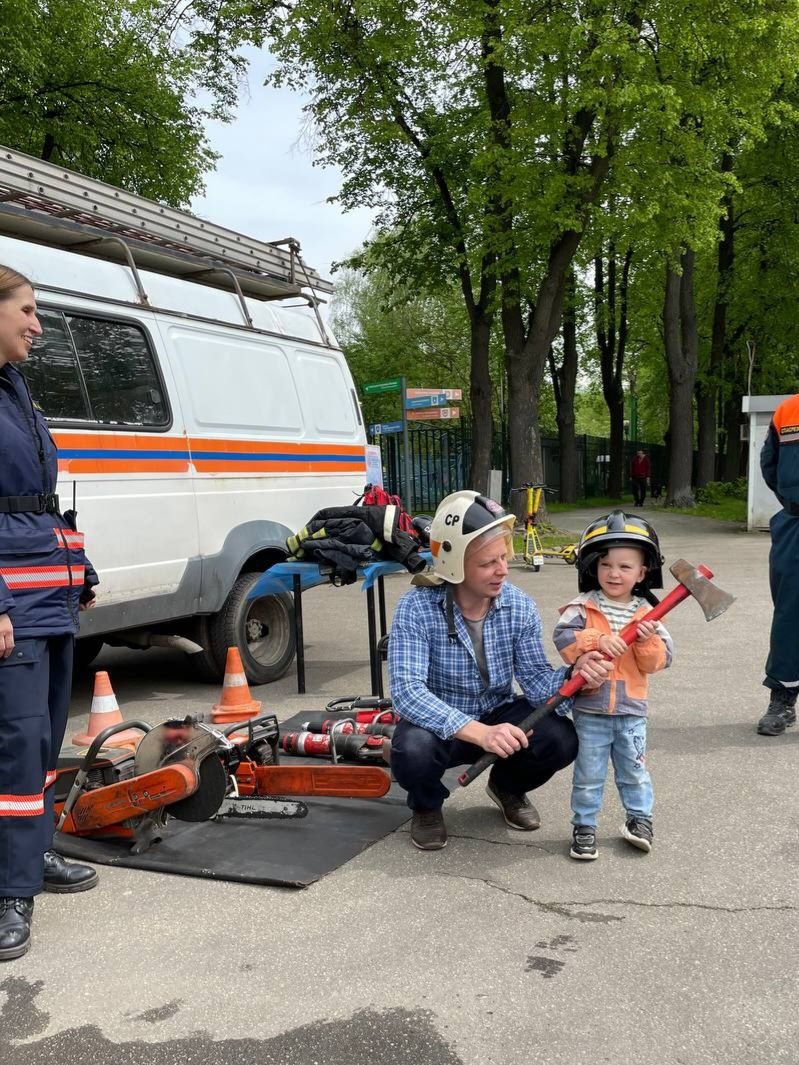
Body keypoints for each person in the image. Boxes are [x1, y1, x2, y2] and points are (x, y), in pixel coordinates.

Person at [388, 490, 612, 851]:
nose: (503, 570)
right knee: (412, 750)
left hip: (498, 711)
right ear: (455, 564)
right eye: (488, 563)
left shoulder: (518, 605)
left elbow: (536, 681)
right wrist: (479, 732)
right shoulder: (416, 607)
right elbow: (407, 692)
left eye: (503, 557)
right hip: (441, 721)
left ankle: (507, 787)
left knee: (560, 738)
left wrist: (574, 675)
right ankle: (426, 806)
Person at [0, 265, 100, 961]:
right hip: (14, 604)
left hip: (49, 595)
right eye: (27, 311)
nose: (38, 325)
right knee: (16, 743)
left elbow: (34, 504)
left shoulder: (16, 388)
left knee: (43, 742)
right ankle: (10, 890)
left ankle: (33, 853)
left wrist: (78, 567)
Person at [553, 510, 672, 861]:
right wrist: (596, 640)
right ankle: (584, 826)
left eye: (624, 566)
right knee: (588, 775)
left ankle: (640, 820)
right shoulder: (582, 607)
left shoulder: (649, 615)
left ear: (642, 572)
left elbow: (659, 661)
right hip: (591, 709)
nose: (614, 573)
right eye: (605, 565)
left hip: (631, 711)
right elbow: (564, 640)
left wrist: (646, 641)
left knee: (634, 771)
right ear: (592, 567)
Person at [756, 393, 799, 736]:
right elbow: (769, 464)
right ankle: (783, 699)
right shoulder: (789, 410)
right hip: (795, 523)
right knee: (790, 614)